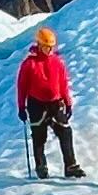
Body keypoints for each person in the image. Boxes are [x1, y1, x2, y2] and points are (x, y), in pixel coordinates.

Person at [16, 26, 85, 180]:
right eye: (47, 46)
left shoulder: (57, 62)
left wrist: (67, 102)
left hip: (56, 103)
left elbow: (63, 83)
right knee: (39, 137)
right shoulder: (29, 64)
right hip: (36, 104)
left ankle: (71, 166)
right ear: (40, 45)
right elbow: (22, 87)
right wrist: (21, 107)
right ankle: (41, 167)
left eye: (51, 47)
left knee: (65, 133)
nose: (49, 49)